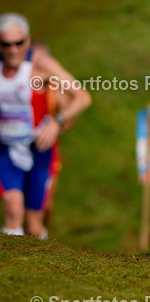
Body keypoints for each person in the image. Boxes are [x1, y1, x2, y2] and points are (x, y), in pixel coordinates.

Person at [0, 14, 91, 238]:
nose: (13, 50)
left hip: (39, 150)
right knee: (13, 206)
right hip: (6, 149)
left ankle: (40, 259)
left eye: (18, 43)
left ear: (28, 41)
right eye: (6, 44)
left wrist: (57, 124)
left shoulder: (40, 65)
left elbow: (82, 97)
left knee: (34, 223)